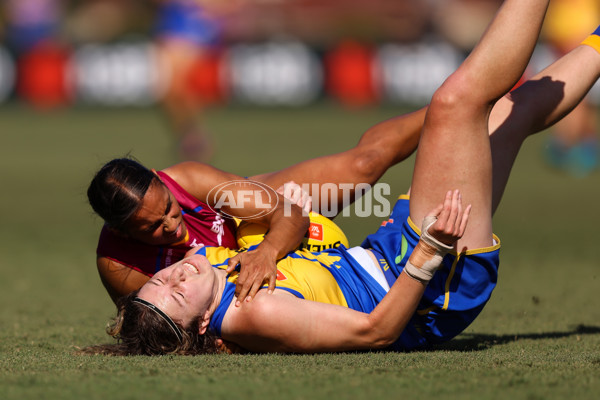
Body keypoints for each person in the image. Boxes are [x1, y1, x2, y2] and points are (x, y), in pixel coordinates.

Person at [84, 0, 600, 355]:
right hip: (424, 276)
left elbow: (281, 212)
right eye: (169, 286)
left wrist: (265, 251)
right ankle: (455, 116)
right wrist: (424, 256)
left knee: (504, 114)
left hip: (374, 253)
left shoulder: (193, 226)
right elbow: (375, 333)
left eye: (170, 213)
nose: (173, 256)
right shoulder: (226, 308)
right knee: (457, 101)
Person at [88, 106, 424, 305]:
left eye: (169, 207)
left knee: (364, 164)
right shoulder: (120, 268)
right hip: (247, 288)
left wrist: (266, 251)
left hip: (264, 226)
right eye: (153, 227)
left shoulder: (188, 179)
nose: (172, 224)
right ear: (123, 232)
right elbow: (161, 327)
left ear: (158, 178)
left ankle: (455, 110)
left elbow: (289, 215)